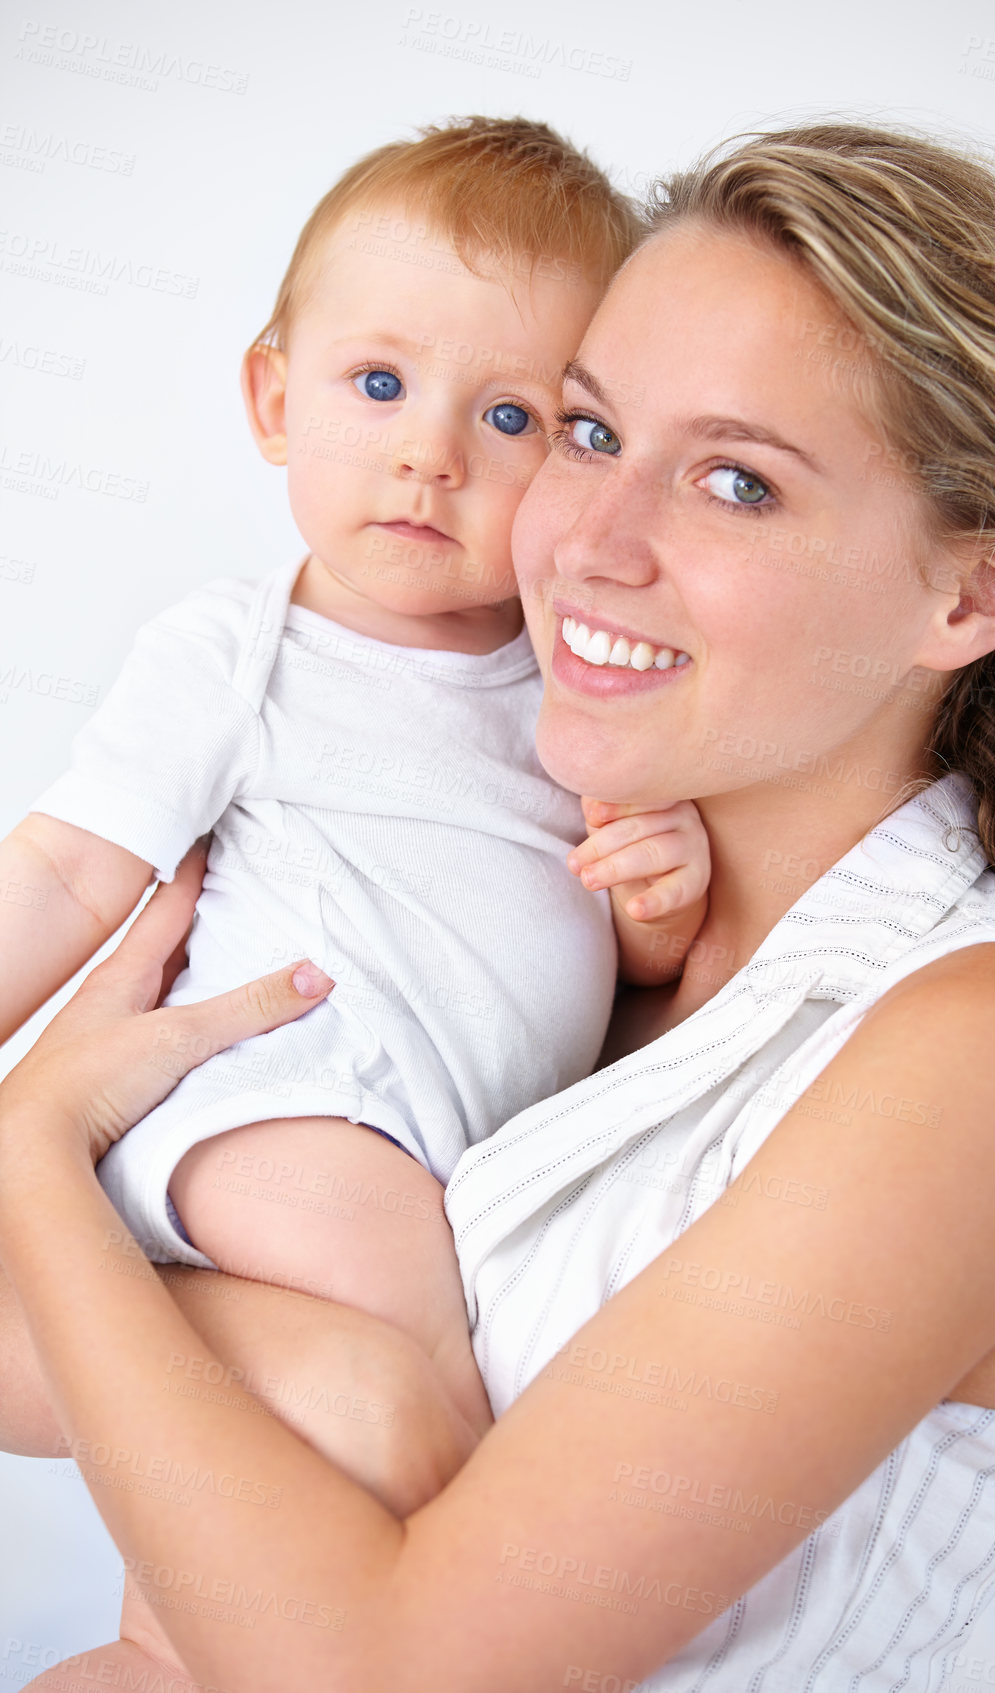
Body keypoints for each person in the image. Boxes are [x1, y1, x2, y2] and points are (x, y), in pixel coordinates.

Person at [1, 122, 995, 1691]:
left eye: (738, 482)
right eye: (584, 429)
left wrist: (39, 1156)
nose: (588, 544)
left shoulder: (988, 1061)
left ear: (965, 595)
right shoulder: (556, 925)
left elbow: (390, 1673)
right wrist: (279, 1346)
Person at [0, 117, 711, 1452]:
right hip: (264, 1100)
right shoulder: (240, 651)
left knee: (317, 1443)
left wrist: (658, 897)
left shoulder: (583, 685)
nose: (429, 454)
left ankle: (179, 1647)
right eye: (378, 385)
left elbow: (625, 971)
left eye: (513, 417)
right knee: (444, 1389)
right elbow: (58, 868)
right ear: (276, 401)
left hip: (440, 1149)